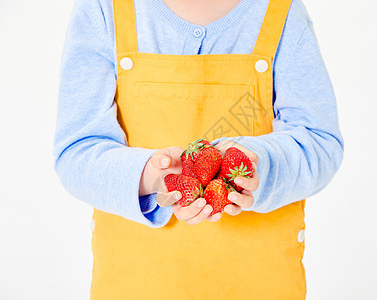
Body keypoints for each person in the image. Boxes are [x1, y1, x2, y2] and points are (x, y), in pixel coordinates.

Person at [53, 0, 344, 298]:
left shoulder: (281, 11)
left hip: (260, 285)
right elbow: (77, 150)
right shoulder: (104, 8)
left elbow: (320, 141)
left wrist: (259, 164)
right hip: (135, 285)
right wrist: (152, 175)